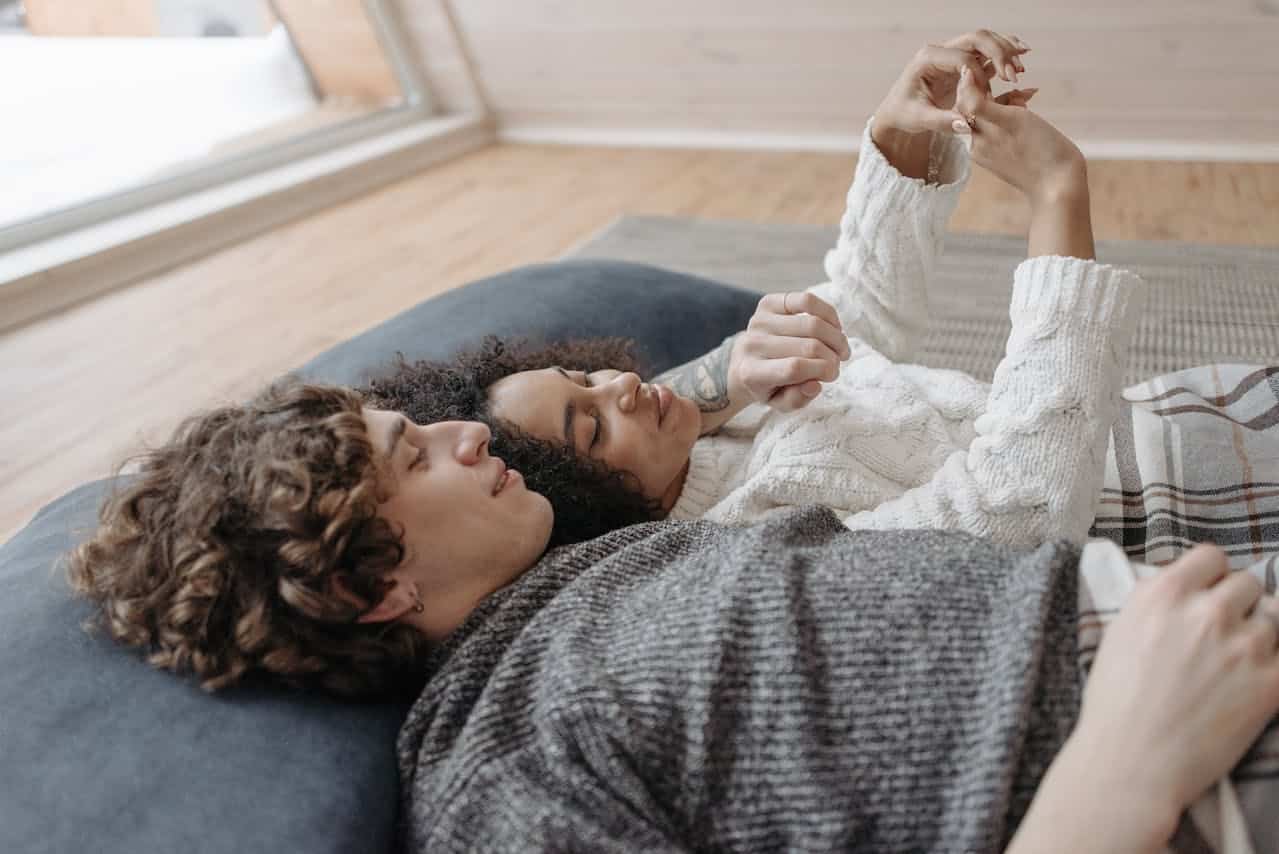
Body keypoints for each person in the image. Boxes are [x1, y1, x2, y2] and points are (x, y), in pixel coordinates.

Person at [67, 378, 1279, 851]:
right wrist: (1130, 765)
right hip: (1186, 763)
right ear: (370, 584)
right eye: (414, 453)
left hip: (1185, 619)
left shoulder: (591, 567)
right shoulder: (497, 773)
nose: (468, 429)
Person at [365, 29, 1153, 551]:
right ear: (581, 502)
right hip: (1144, 498)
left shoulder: (700, 423)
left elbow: (861, 318)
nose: (622, 387)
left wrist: (901, 133)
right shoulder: (756, 524)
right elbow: (1020, 509)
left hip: (1140, 417)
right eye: (593, 426)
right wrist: (1056, 197)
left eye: (585, 376)